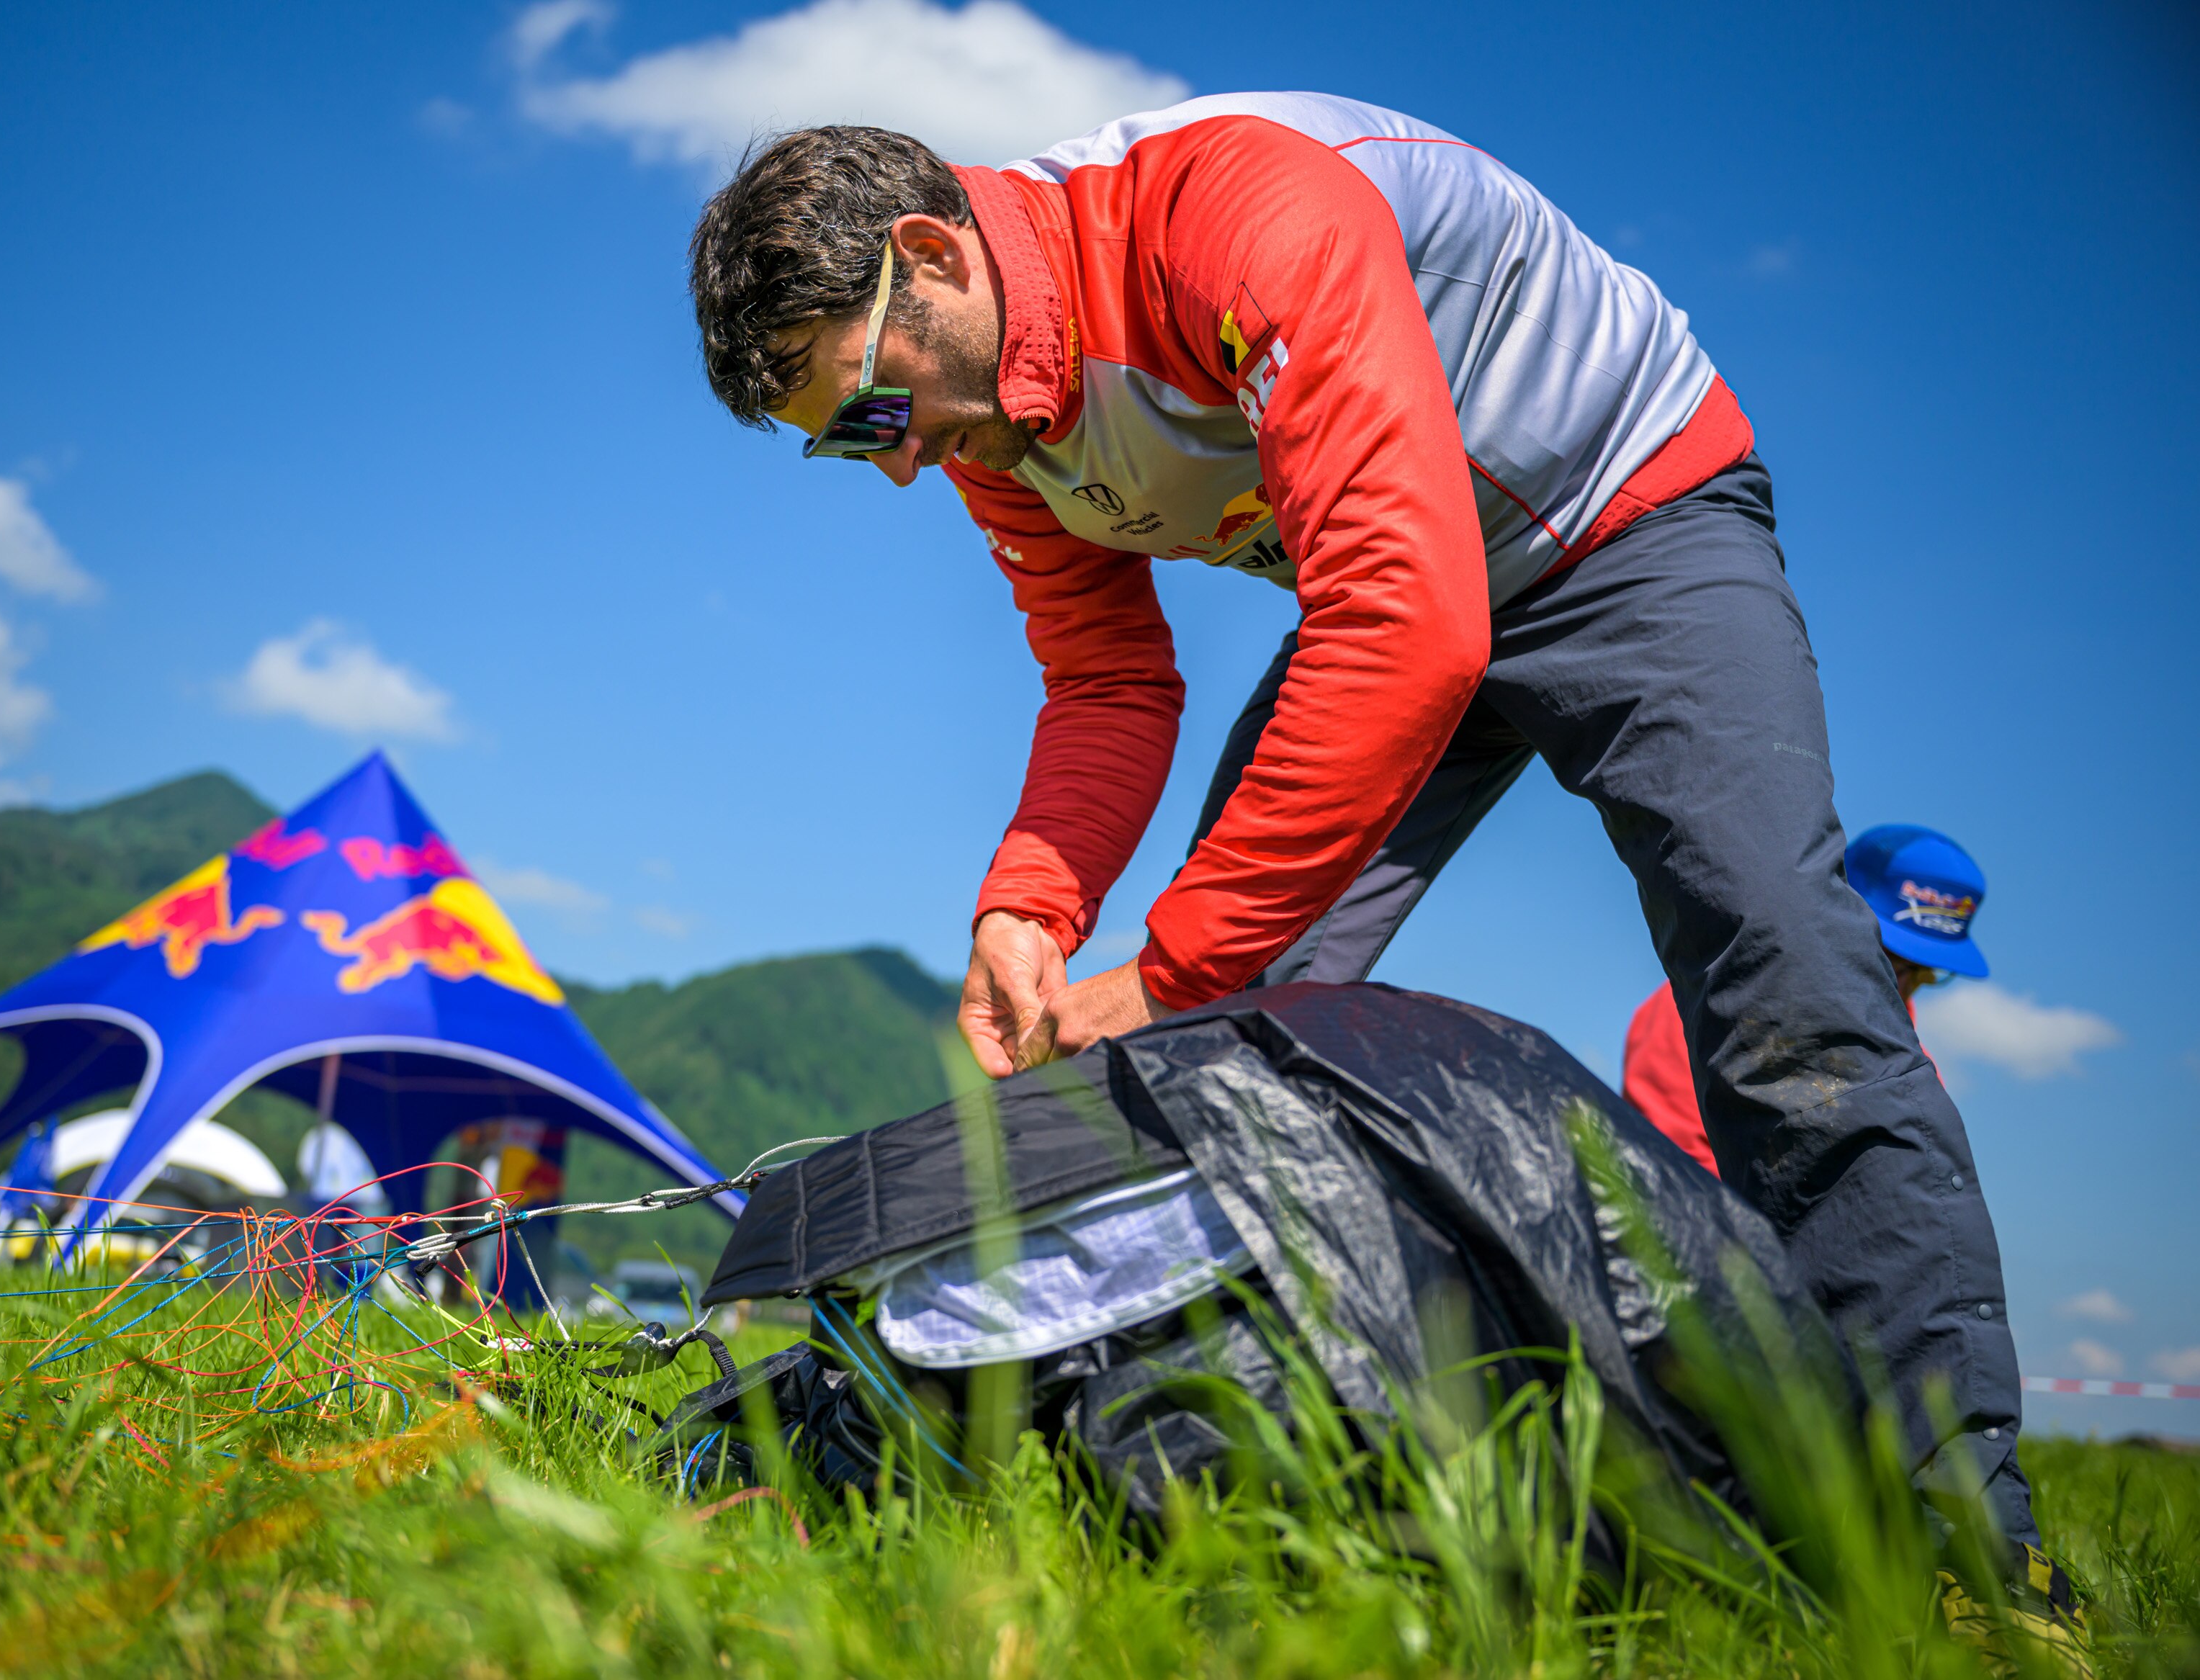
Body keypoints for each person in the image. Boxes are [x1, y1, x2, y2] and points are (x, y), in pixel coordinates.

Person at [686, 93, 2073, 1623]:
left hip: (1619, 519)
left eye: (874, 410)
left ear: (931, 254)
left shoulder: (1240, 216)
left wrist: (1167, 961)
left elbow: (1412, 632)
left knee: (1786, 993)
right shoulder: (984, 407)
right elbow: (1104, 679)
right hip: (1390, 578)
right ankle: (1165, 1472)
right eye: (843, 448)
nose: (892, 465)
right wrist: (1031, 899)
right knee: (1210, 1056)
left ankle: (1963, 1562)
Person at [1625, 825, 1989, 1177]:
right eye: (1891, 958)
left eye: (1924, 972)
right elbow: (1674, 1161)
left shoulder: (1914, 1067)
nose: (1903, 984)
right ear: (1840, 918)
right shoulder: (1713, 1009)